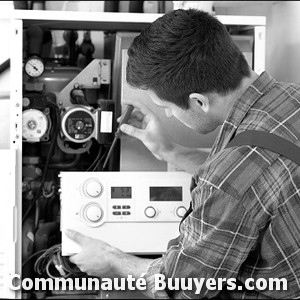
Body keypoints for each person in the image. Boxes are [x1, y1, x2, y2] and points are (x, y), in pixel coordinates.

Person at [66, 9, 300, 298]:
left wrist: (112, 260)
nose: (167, 114)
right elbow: (259, 181)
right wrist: (169, 151)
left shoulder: (229, 180)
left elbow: (181, 286)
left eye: (167, 107)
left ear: (199, 102)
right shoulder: (292, 97)